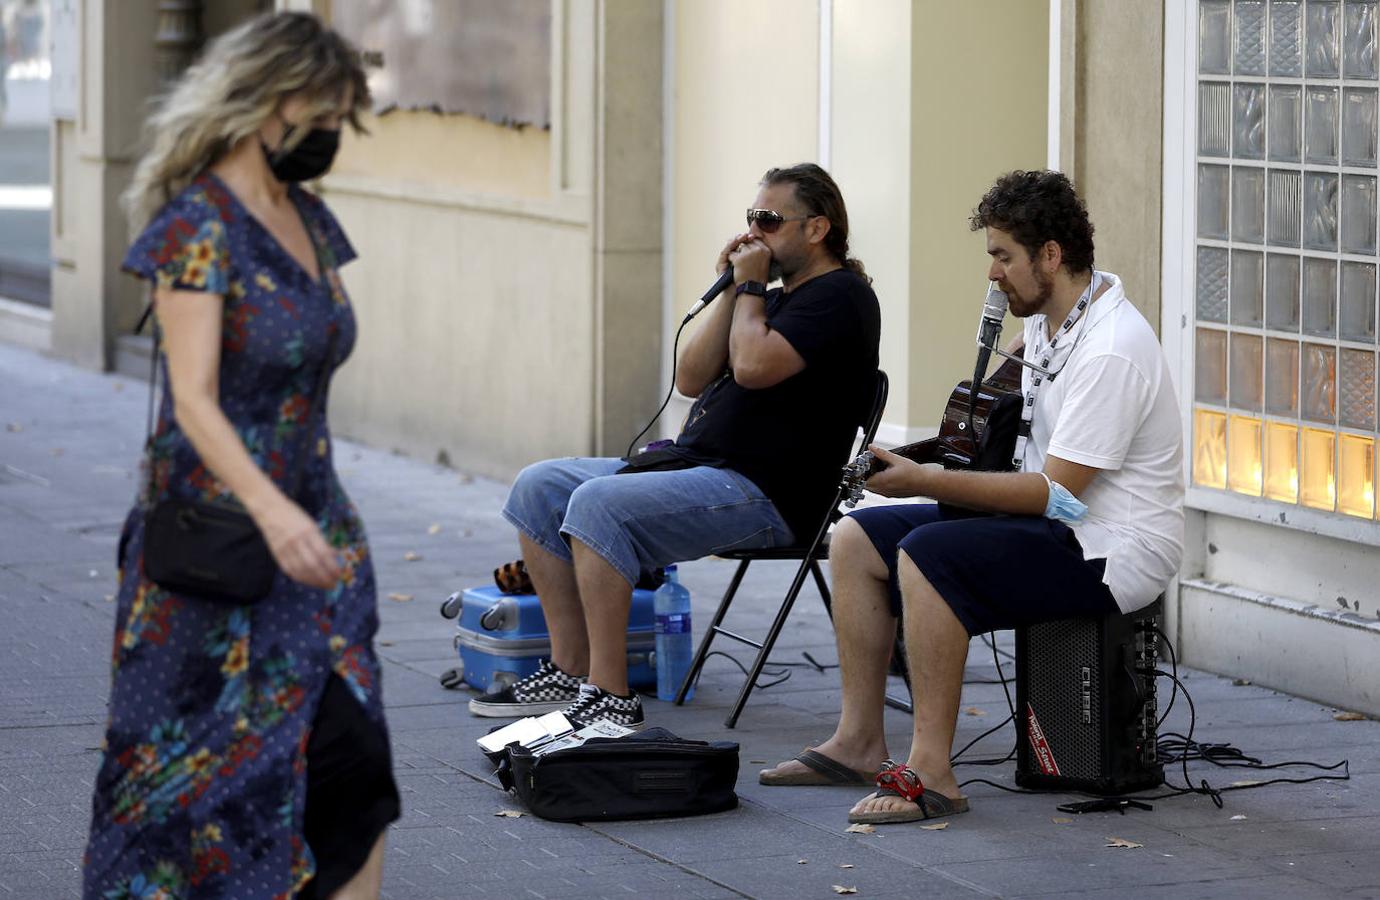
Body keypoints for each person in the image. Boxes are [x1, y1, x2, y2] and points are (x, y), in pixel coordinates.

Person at [82, 13, 399, 899]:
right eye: (321, 114)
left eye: (344, 116)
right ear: (266, 103)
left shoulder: (308, 215)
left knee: (352, 771)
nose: (332, 134)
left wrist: (302, 512)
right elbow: (192, 399)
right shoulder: (198, 226)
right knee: (201, 801)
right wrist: (272, 509)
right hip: (216, 555)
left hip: (317, 538)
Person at [758, 170, 1184, 824]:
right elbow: (1008, 419)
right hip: (1062, 522)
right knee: (857, 540)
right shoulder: (1049, 319)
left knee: (931, 555)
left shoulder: (1112, 349)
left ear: (1050, 255)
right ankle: (858, 741)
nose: (992, 273)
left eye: (1003, 256)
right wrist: (933, 448)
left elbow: (1056, 495)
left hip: (1109, 546)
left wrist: (925, 479)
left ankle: (933, 773)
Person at [474, 163, 881, 728]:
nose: (754, 232)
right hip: (700, 465)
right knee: (538, 485)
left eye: (768, 220)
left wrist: (753, 288)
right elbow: (690, 378)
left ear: (816, 229)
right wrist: (734, 293)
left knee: (596, 503)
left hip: (768, 492)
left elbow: (754, 365)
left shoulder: (840, 296)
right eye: (750, 219)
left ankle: (609, 694)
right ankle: (570, 668)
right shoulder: (771, 296)